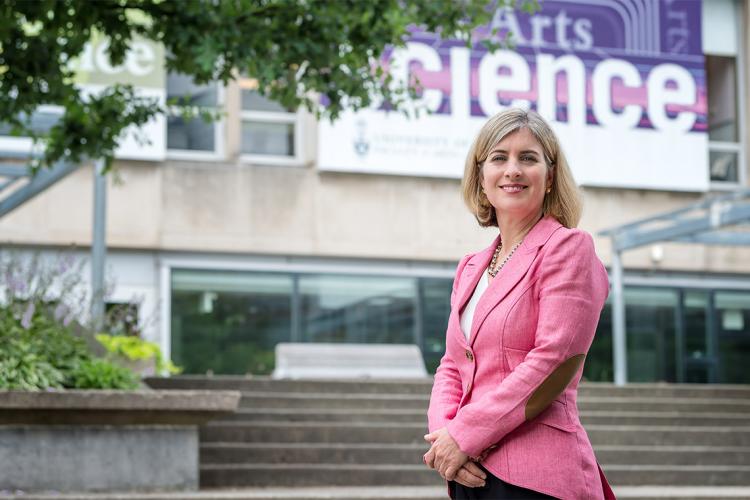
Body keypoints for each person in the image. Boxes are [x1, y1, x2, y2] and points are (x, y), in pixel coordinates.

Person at [422, 108, 616, 500]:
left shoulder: (568, 248)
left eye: (528, 158)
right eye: (499, 157)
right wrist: (447, 439)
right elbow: (452, 364)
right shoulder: (470, 267)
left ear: (548, 178)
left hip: (536, 477)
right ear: (481, 178)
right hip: (468, 471)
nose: (513, 169)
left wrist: (465, 435)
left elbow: (553, 362)